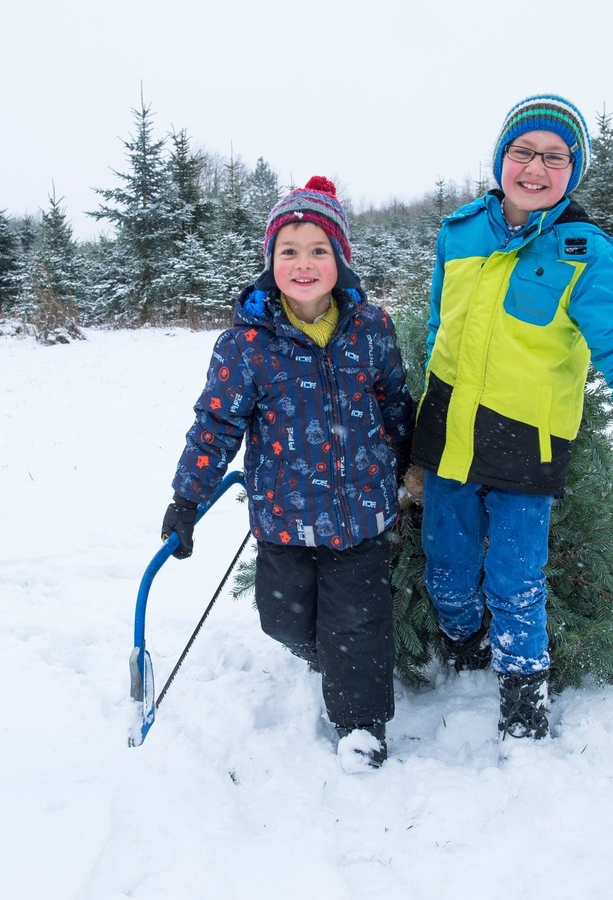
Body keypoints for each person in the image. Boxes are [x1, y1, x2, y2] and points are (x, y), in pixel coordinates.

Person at [404, 94, 613, 741]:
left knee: (515, 581)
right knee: (447, 572)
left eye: (555, 156)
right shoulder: (458, 235)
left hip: (525, 450)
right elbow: (437, 333)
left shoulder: (582, 253)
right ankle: (465, 651)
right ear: (500, 159)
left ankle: (523, 701)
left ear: (574, 170)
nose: (536, 167)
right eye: (523, 151)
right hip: (450, 441)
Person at [162, 176, 415, 768]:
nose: (304, 264)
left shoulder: (371, 329)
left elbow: (396, 404)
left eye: (319, 250)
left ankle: (361, 727)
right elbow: (216, 426)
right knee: (283, 620)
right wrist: (186, 500)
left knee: (358, 625)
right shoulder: (245, 345)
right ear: (270, 260)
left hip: (360, 518)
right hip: (283, 519)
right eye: (289, 251)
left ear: (341, 259)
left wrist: (410, 471)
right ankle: (323, 655)